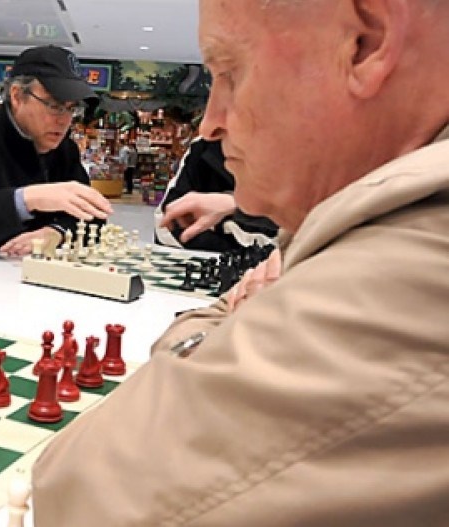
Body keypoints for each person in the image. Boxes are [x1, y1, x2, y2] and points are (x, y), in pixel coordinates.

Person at [33, 0, 449, 525]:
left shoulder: (415, 265)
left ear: (364, 45)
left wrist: (219, 323)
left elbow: (78, 489)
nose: (209, 123)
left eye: (230, 73)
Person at [0, 45, 113, 257]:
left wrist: (55, 232)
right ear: (17, 96)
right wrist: (27, 199)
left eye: (72, 108)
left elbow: (94, 213)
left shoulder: (65, 150)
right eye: (54, 105)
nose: (64, 119)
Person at [155, 137, 278, 252]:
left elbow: (291, 234)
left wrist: (233, 207)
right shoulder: (205, 145)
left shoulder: (289, 151)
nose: (206, 125)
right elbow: (167, 224)